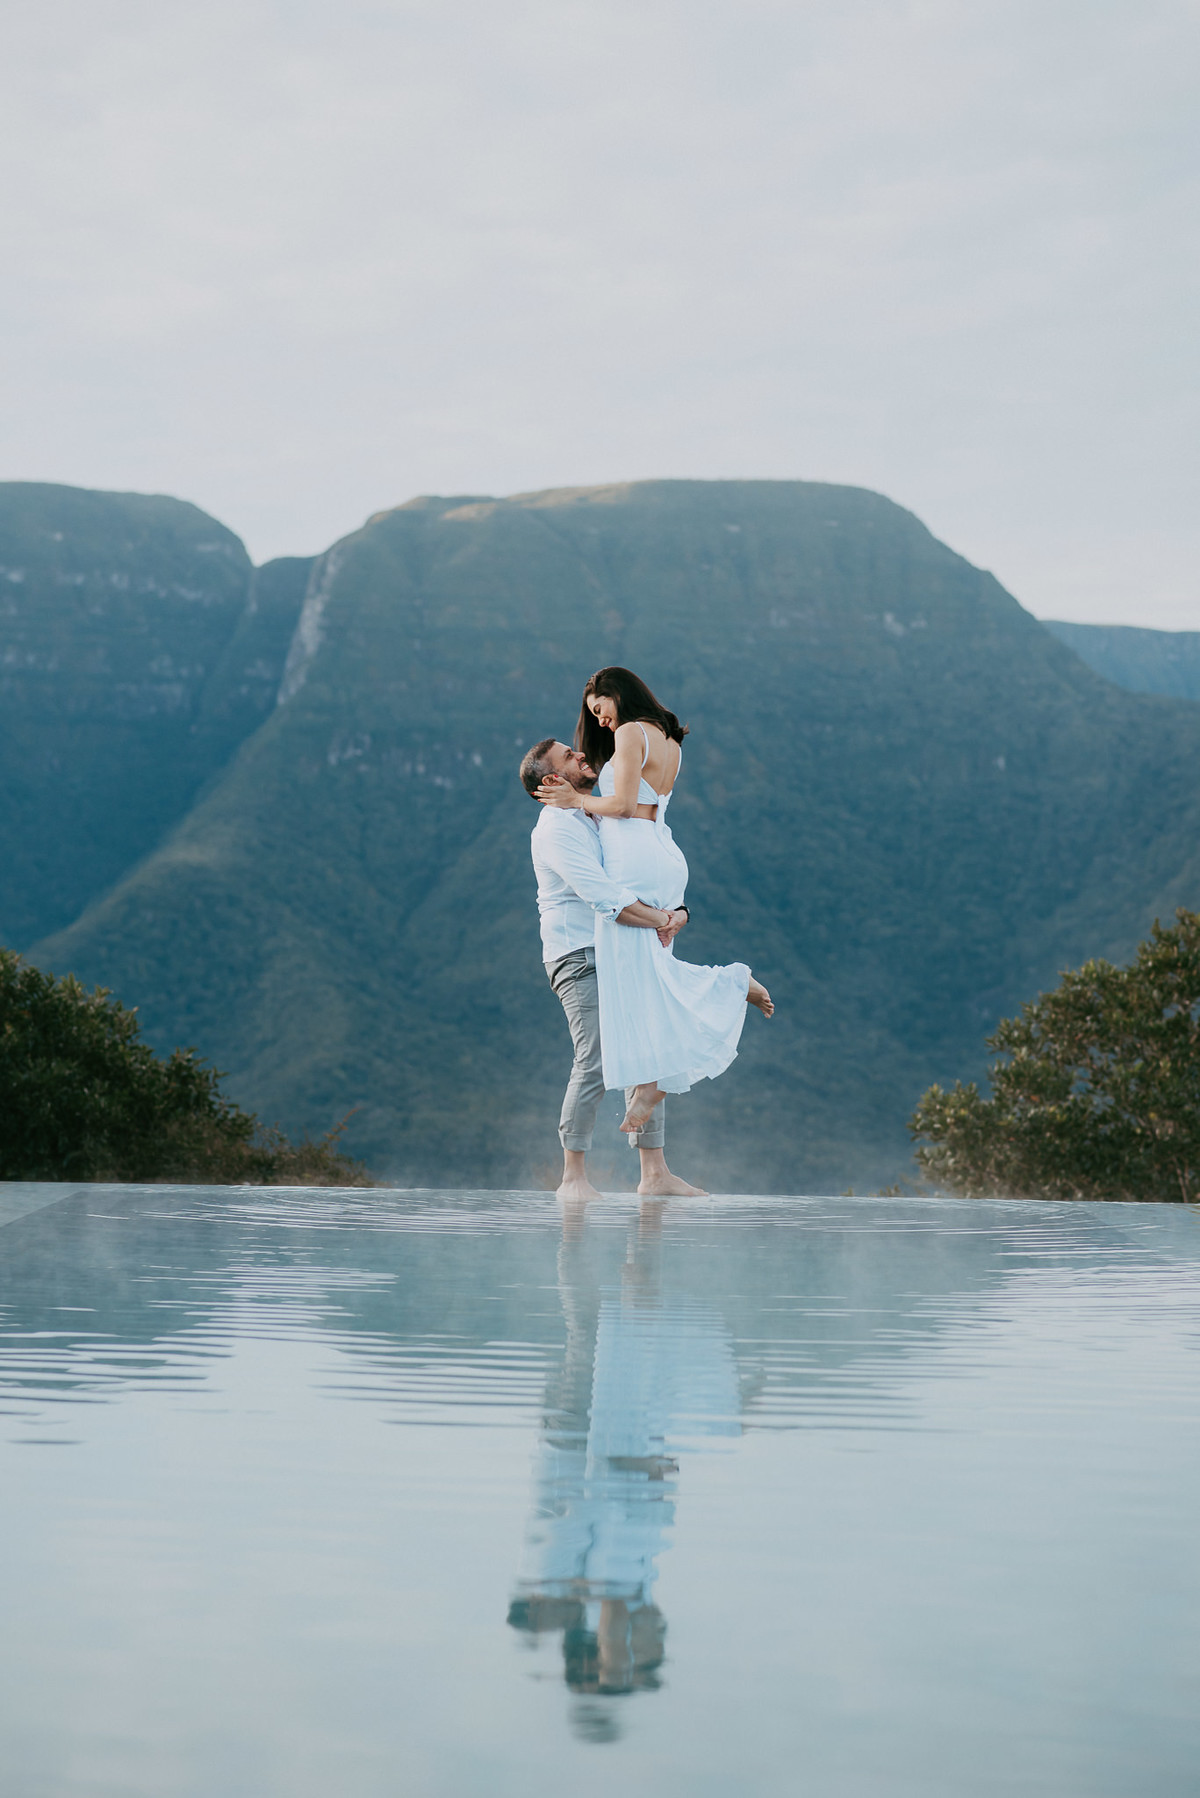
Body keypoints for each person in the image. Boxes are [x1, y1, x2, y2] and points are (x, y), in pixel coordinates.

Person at [536, 667, 773, 1135]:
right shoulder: (670, 741)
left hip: (635, 854)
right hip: (665, 850)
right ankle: (656, 1080)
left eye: (599, 709)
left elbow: (623, 806)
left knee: (633, 975)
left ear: (615, 695)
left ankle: (728, 986)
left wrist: (575, 801)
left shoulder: (629, 733)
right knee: (651, 973)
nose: (600, 722)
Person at [520, 735, 707, 1200]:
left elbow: (644, 864)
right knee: (597, 1058)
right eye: (570, 756)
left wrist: (679, 910)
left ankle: (655, 1174)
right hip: (577, 954)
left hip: (622, 946)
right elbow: (605, 897)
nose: (582, 754)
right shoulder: (555, 830)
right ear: (552, 779)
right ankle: (573, 1178)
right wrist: (664, 919)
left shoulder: (597, 812)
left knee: (649, 1051)